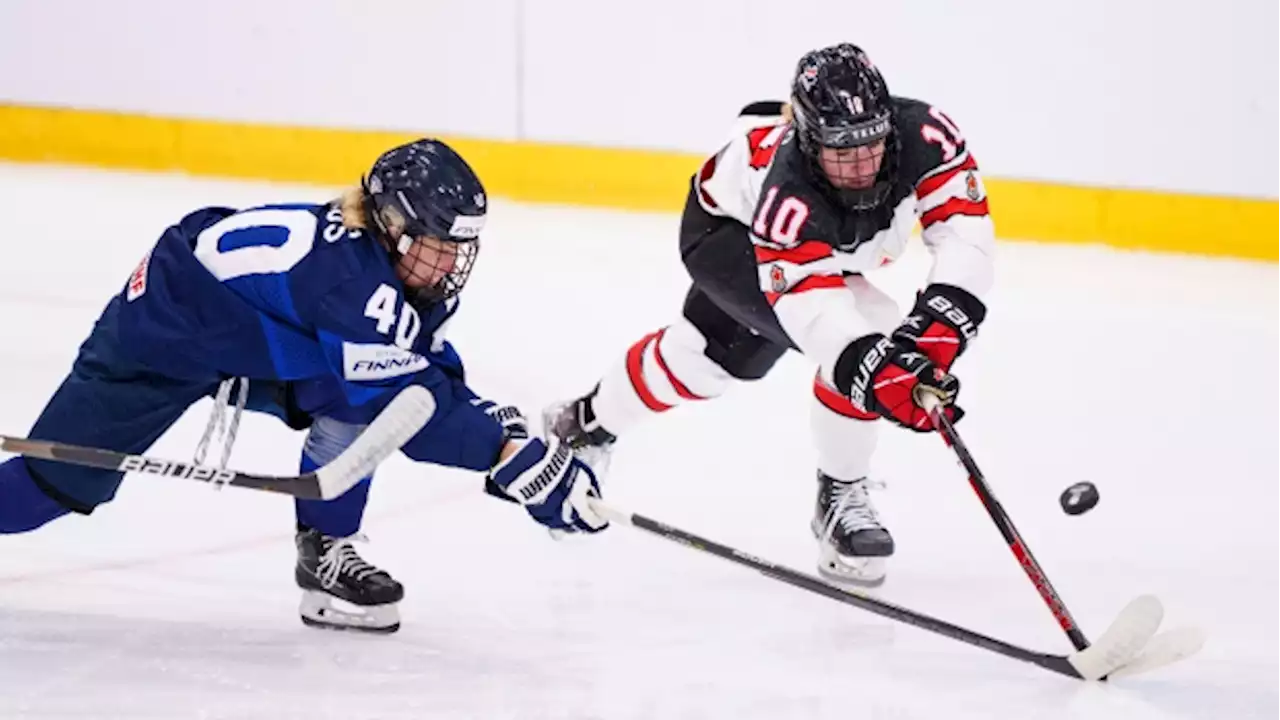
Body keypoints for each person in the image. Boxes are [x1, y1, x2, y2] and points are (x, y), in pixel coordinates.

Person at [0, 138, 607, 632]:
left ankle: (326, 550)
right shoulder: (346, 284)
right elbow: (408, 409)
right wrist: (503, 455)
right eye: (437, 246)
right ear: (393, 225)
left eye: (458, 248)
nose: (450, 263)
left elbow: (420, 365)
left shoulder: (389, 268)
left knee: (357, 396)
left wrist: (487, 421)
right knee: (41, 495)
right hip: (162, 334)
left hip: (259, 337)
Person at [544, 43, 995, 587]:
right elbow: (815, 308)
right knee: (856, 335)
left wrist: (941, 331)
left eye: (870, 146)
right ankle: (839, 496)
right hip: (727, 235)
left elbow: (965, 234)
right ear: (807, 142)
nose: (858, 168)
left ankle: (583, 422)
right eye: (839, 152)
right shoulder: (787, 193)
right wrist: (875, 368)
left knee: (698, 360)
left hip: (814, 241)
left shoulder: (926, 136)